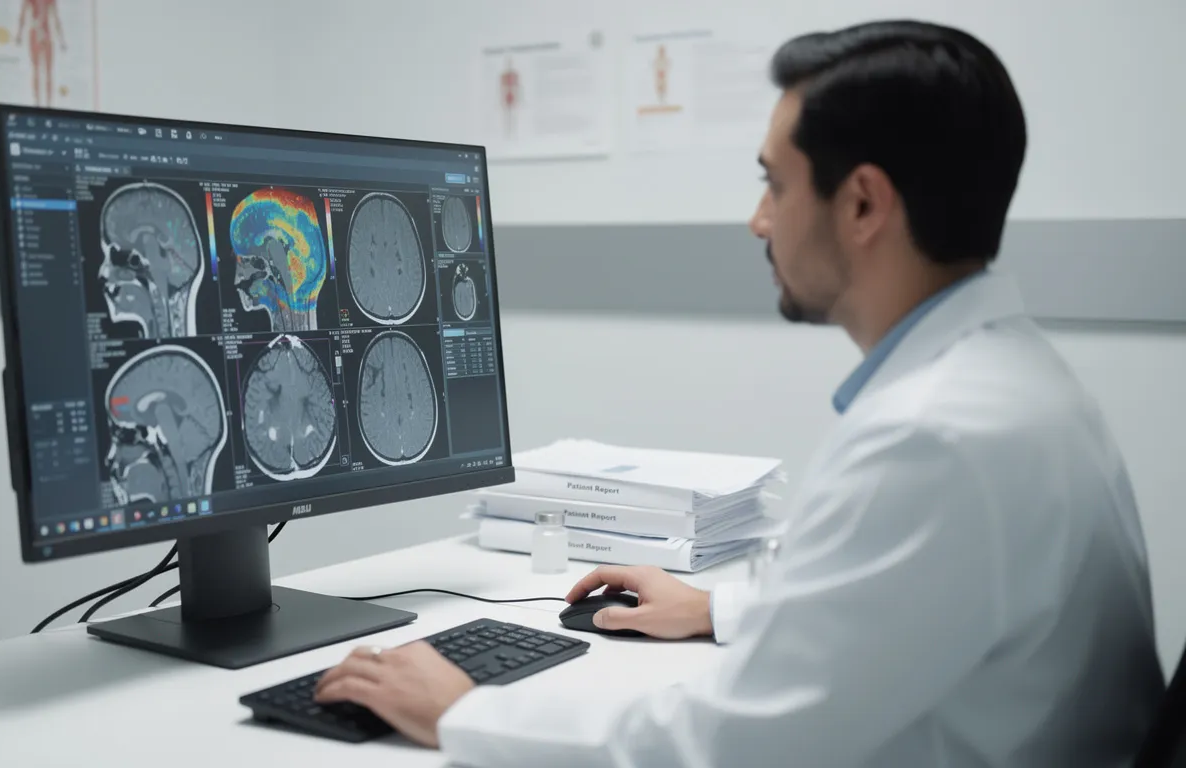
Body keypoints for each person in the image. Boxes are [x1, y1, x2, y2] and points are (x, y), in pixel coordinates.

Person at [313, 20, 1166, 766]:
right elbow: (894, 615)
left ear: (863, 203)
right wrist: (720, 607)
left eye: (775, 184)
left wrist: (466, 714)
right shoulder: (1014, 380)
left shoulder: (935, 439)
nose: (759, 220)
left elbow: (730, 748)